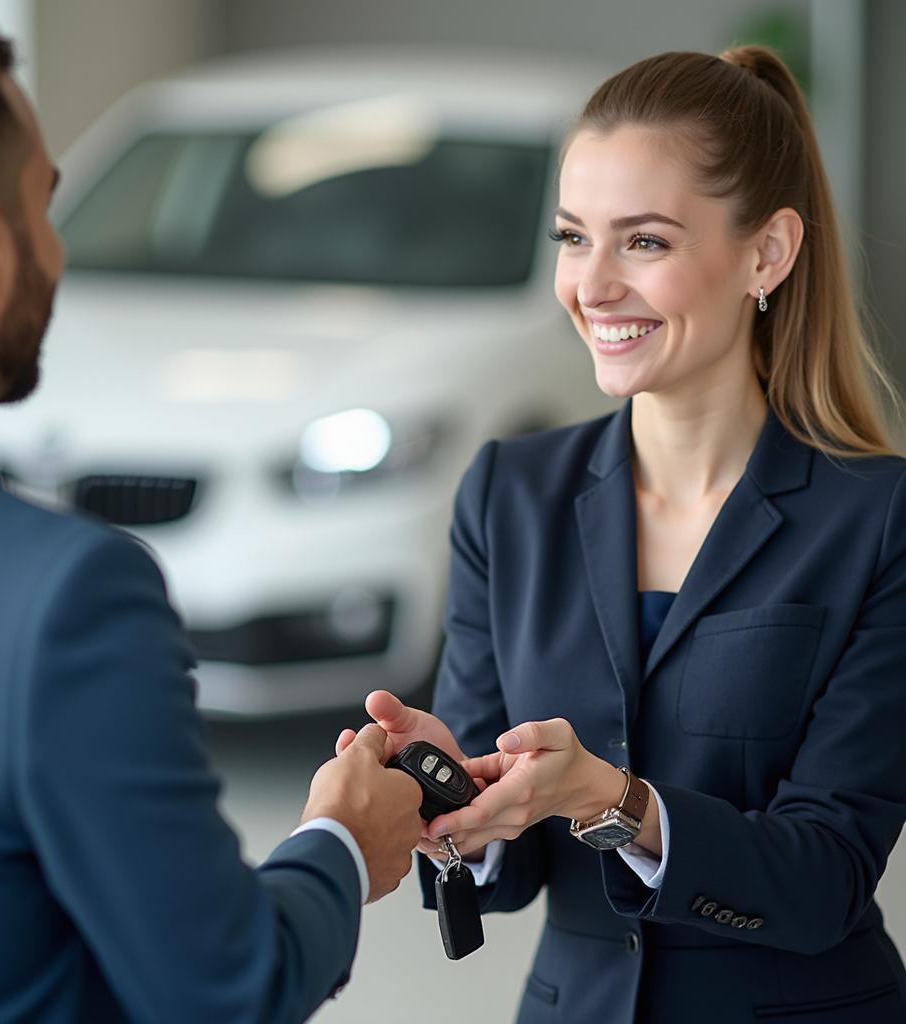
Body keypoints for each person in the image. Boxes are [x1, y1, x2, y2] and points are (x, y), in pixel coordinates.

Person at [341, 46, 906, 1023]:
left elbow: (824, 877)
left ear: (766, 254)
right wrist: (453, 800)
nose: (591, 286)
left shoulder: (876, 518)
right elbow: (508, 874)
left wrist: (614, 799)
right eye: (572, 236)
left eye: (642, 242)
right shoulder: (506, 495)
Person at [0, 4, 424, 1022]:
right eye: (47, 206)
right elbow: (224, 987)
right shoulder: (64, 596)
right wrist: (342, 842)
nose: (61, 246)